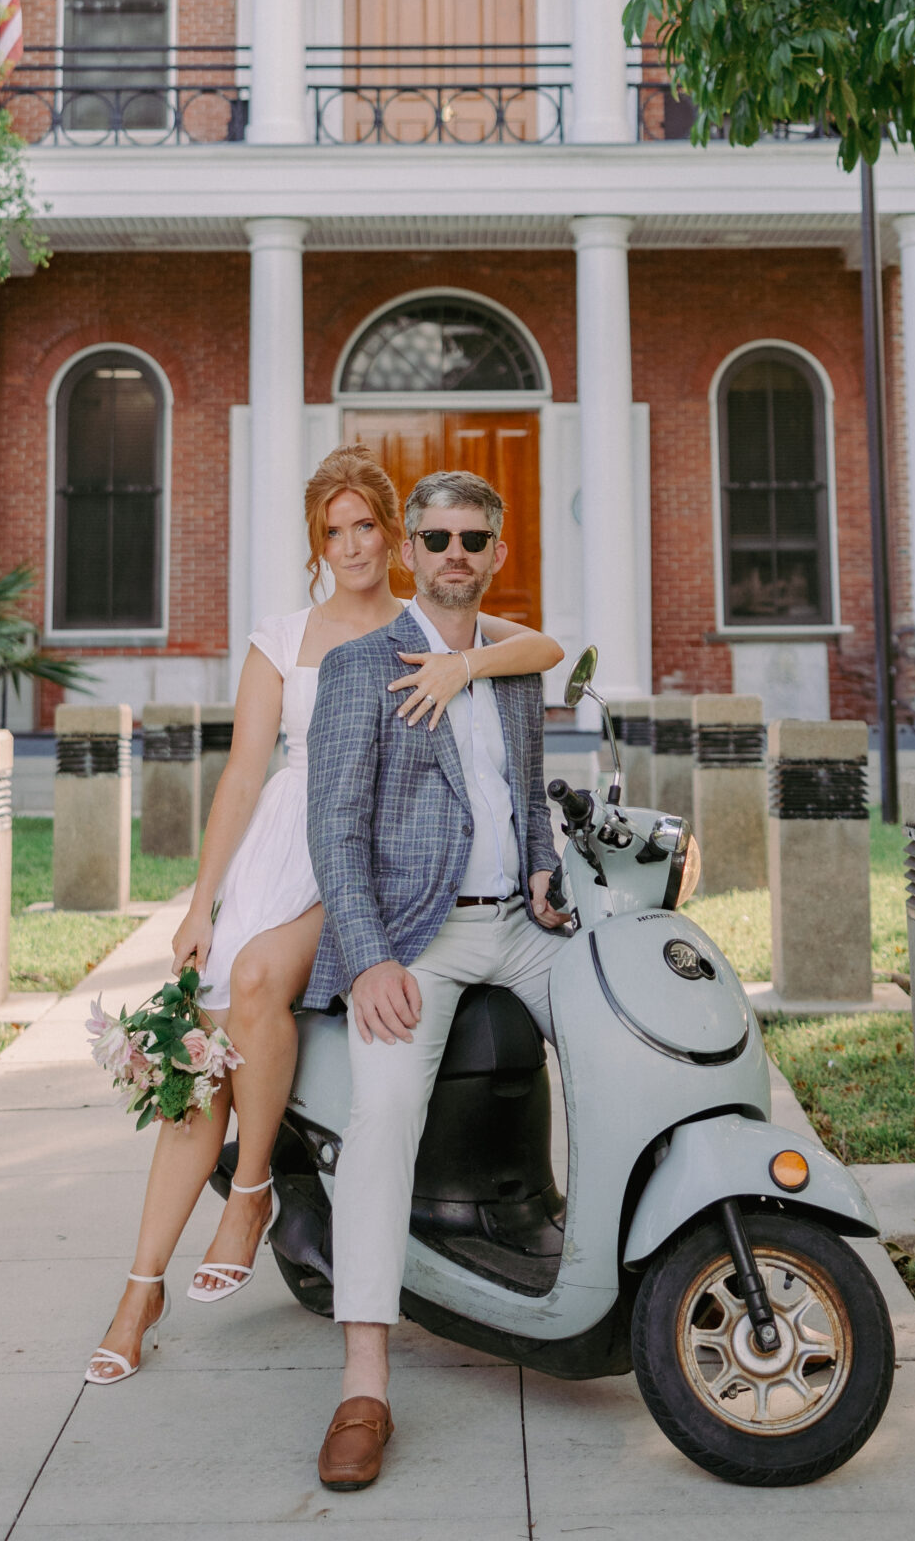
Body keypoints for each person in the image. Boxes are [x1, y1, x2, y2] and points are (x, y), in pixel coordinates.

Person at [83, 445, 562, 1384]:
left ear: (395, 537)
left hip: (365, 859)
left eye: (364, 528)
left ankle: (251, 1190)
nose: (350, 545)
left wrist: (466, 671)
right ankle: (141, 1287)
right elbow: (241, 772)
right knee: (202, 1052)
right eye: (331, 533)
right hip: (287, 841)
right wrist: (201, 904)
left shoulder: (433, 619)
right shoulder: (287, 637)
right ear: (319, 545)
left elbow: (536, 652)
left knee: (258, 981)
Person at [304, 468, 573, 1493]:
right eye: (438, 538)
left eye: (475, 538)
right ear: (410, 550)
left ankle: (604, 1268)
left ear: (496, 551)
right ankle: (363, 1384)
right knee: (382, 1122)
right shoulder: (358, 666)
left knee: (626, 1048)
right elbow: (333, 825)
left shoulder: (508, 665)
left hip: (522, 926)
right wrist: (369, 953)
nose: (456, 553)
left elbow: (526, 799)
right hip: (417, 936)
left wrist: (544, 871)